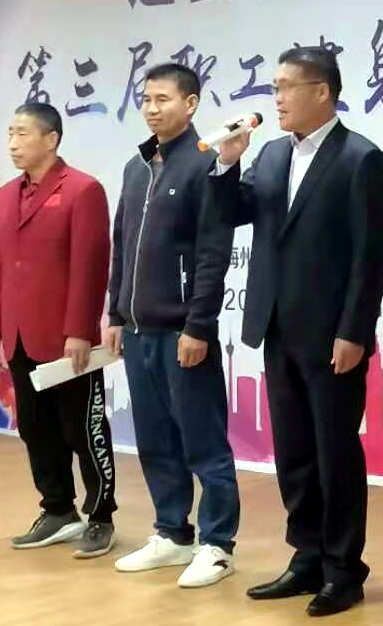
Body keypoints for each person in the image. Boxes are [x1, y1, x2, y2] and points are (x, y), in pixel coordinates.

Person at [211, 46, 383, 617]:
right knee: (293, 451)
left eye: (287, 87)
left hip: (332, 333)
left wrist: (354, 330)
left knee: (334, 453)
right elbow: (231, 212)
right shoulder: (270, 154)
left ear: (322, 92)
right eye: (275, 87)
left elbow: (371, 256)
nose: (277, 98)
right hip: (276, 325)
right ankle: (306, 556)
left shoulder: (360, 158)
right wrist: (228, 164)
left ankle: (343, 570)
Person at [105, 63, 239, 588]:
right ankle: (172, 533)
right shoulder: (137, 166)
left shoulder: (205, 165)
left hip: (183, 331)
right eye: (146, 99)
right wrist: (116, 313)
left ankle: (217, 543)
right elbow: (121, 245)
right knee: (156, 439)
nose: (152, 108)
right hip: (139, 331)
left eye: (163, 99)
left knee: (203, 440)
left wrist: (198, 326)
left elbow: (213, 252)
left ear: (191, 104)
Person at [0, 102, 117, 559]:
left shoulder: (82, 190)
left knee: (83, 429)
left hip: (66, 338)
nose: (13, 143)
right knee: (35, 428)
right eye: (10, 133)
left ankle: (100, 516)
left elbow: (90, 266)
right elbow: (0, 266)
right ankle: (58, 509)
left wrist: (80, 328)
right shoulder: (6, 195)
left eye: (22, 133)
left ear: (52, 139)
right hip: (20, 333)